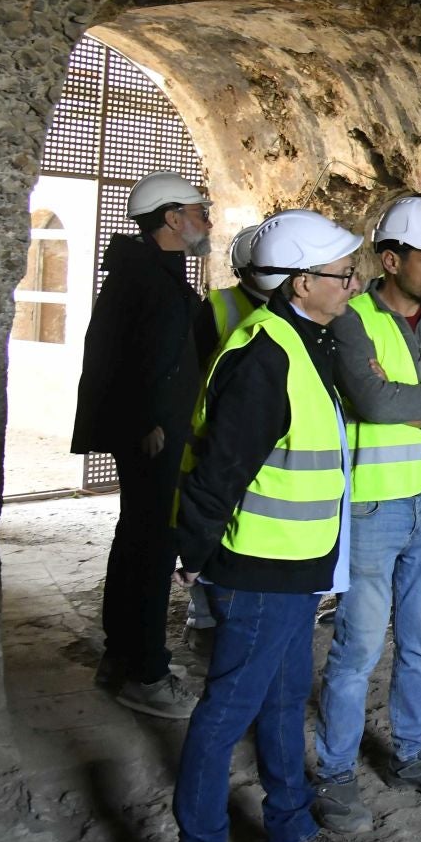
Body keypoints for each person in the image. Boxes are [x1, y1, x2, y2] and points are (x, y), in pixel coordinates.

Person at [169, 209, 375, 842]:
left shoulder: (304, 338)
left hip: (294, 564)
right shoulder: (266, 355)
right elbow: (220, 468)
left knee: (286, 701)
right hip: (256, 568)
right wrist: (193, 554)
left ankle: (289, 836)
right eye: (341, 275)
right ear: (300, 282)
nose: (352, 283)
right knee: (223, 716)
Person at [311, 196, 421, 832]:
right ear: (391, 260)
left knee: (420, 644)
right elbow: (371, 401)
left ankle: (413, 755)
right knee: (357, 646)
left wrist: (408, 399)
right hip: (375, 503)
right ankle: (334, 773)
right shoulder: (351, 319)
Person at [72, 169, 211, 719]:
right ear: (172, 219)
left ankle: (122, 655)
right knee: (153, 547)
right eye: (198, 212)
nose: (205, 221)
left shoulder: (153, 270)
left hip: (159, 426)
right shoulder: (143, 276)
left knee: (137, 541)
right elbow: (119, 355)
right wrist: (143, 422)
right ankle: (147, 673)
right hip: (154, 434)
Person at [185, 219, 267, 645]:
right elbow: (191, 376)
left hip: (264, 444)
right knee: (211, 526)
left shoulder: (298, 312)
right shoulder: (218, 308)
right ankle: (204, 617)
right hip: (217, 437)